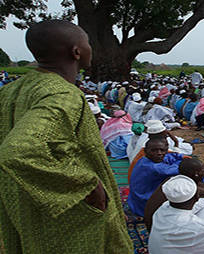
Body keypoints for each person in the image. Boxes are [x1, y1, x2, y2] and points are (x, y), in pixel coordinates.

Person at [0, 20, 132, 253]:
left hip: (22, 197)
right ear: (77, 51)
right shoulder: (63, 94)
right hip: (67, 208)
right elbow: (17, 151)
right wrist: (86, 185)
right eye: (88, 42)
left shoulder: (11, 90)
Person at [128, 136, 183, 217]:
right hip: (145, 205)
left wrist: (180, 157)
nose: (159, 153)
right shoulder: (155, 167)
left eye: (162, 150)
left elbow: (169, 157)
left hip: (135, 201)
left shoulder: (144, 159)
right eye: (154, 150)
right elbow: (181, 168)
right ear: (146, 151)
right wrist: (182, 159)